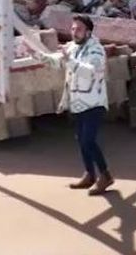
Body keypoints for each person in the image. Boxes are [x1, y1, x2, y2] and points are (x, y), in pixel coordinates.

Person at [39, 14, 114, 196]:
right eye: (73, 29)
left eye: (79, 29)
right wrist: (36, 55)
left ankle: (105, 176)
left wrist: (69, 60)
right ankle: (89, 174)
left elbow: (89, 72)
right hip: (77, 103)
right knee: (81, 140)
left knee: (88, 140)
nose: (75, 32)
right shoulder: (72, 47)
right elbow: (57, 62)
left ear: (88, 32)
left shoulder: (96, 50)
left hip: (94, 103)